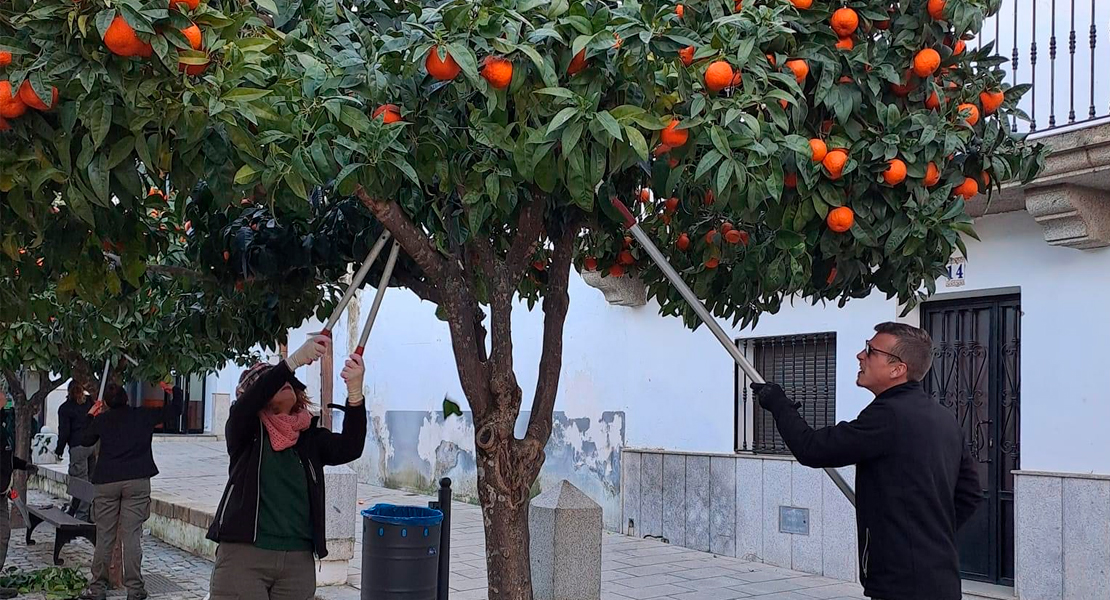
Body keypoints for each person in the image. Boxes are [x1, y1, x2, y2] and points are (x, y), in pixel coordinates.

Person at [750, 322, 982, 600]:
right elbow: (970, 494)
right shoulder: (944, 418)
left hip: (902, 584)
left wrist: (778, 405)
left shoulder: (889, 416)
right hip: (941, 578)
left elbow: (811, 449)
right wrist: (928, 533)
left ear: (898, 369)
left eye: (871, 351)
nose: (861, 355)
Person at [206, 335, 366, 600]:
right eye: (276, 382)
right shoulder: (246, 432)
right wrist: (291, 362)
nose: (286, 384)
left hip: (297, 563)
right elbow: (247, 405)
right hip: (245, 557)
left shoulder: (308, 437)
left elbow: (350, 447)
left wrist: (355, 394)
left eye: (288, 382)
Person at [77, 383, 181, 600]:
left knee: (105, 535)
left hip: (106, 481)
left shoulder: (102, 420)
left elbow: (84, 439)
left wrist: (90, 415)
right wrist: (174, 391)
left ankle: (97, 588)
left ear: (105, 403)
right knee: (132, 536)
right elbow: (174, 411)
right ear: (127, 399)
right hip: (137, 480)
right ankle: (135, 589)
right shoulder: (142, 415)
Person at [0, 388, 36, 600]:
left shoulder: (5, 422)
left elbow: (5, 456)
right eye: (2, 393)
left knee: (3, 534)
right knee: (2, 533)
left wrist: (23, 466)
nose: (5, 396)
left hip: (2, 492)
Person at [55, 380, 96, 520]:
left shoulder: (65, 408)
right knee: (91, 480)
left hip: (78, 446)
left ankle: (82, 515)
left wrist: (59, 450)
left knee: (81, 483)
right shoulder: (90, 402)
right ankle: (90, 513)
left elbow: (64, 432)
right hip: (94, 444)